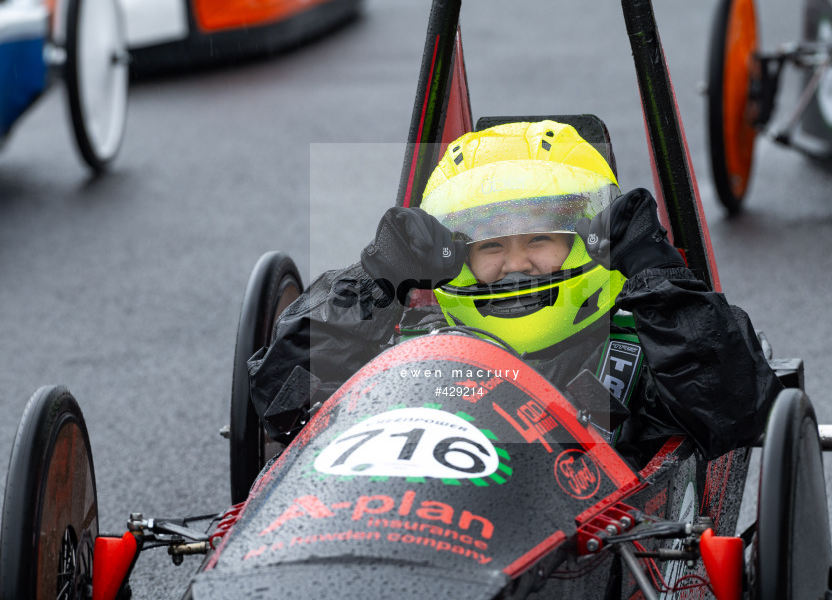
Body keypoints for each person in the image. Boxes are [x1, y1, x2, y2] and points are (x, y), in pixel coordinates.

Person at [248, 120, 782, 466]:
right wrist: (378, 274)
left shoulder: (644, 349)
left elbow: (732, 405)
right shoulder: (410, 348)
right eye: (490, 247)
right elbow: (284, 403)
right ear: (455, 257)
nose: (517, 265)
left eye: (540, 240)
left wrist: (652, 269)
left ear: (588, 244)